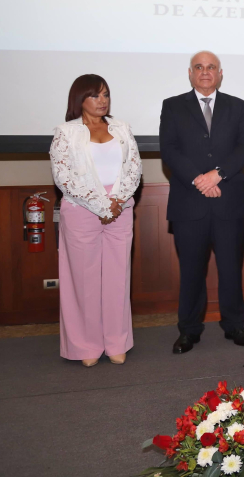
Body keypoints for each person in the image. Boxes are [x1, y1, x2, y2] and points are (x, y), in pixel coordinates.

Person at [160, 51, 244, 354]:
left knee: (230, 269)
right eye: (199, 67)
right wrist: (199, 179)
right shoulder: (173, 106)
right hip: (189, 204)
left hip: (229, 203)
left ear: (220, 73)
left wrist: (218, 174)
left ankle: (234, 325)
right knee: (191, 271)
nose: (205, 72)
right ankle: (188, 330)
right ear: (190, 73)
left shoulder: (237, 106)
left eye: (210, 67)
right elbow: (169, 150)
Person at [50, 75, 141, 367]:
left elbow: (134, 168)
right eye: (95, 96)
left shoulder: (122, 128)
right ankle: (85, 345)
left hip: (120, 208)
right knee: (84, 280)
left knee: (117, 277)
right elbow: (64, 177)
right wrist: (101, 205)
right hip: (81, 209)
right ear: (80, 99)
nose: (102, 101)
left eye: (105, 95)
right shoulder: (66, 133)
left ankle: (116, 341)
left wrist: (116, 202)